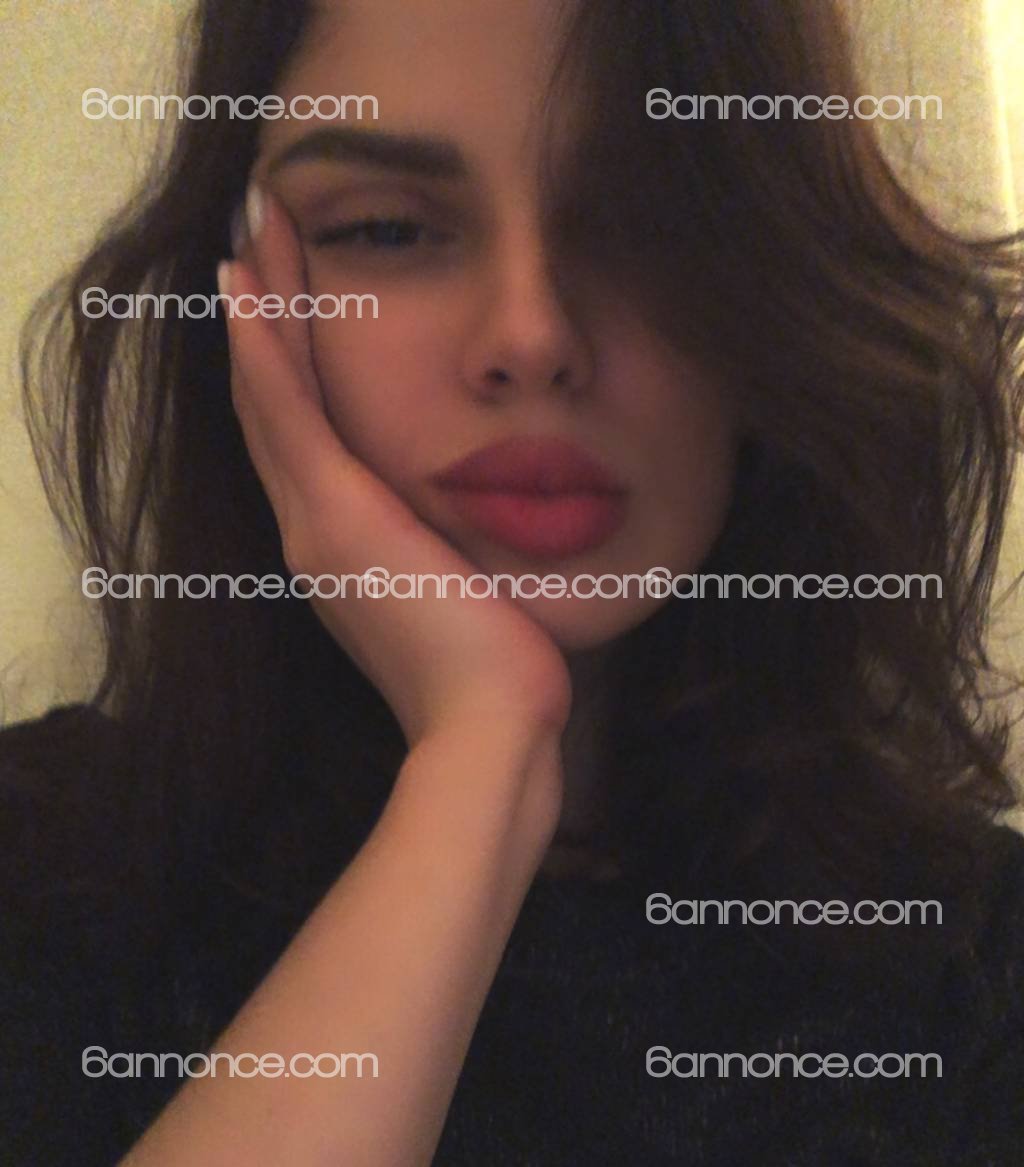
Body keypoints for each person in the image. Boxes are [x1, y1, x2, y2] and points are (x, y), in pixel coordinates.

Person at [3, 0, 1023, 1162]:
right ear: (242, 296)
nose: (531, 336)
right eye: (387, 229)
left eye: (649, 222)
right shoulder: (44, 880)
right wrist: (480, 750)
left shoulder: (971, 970)